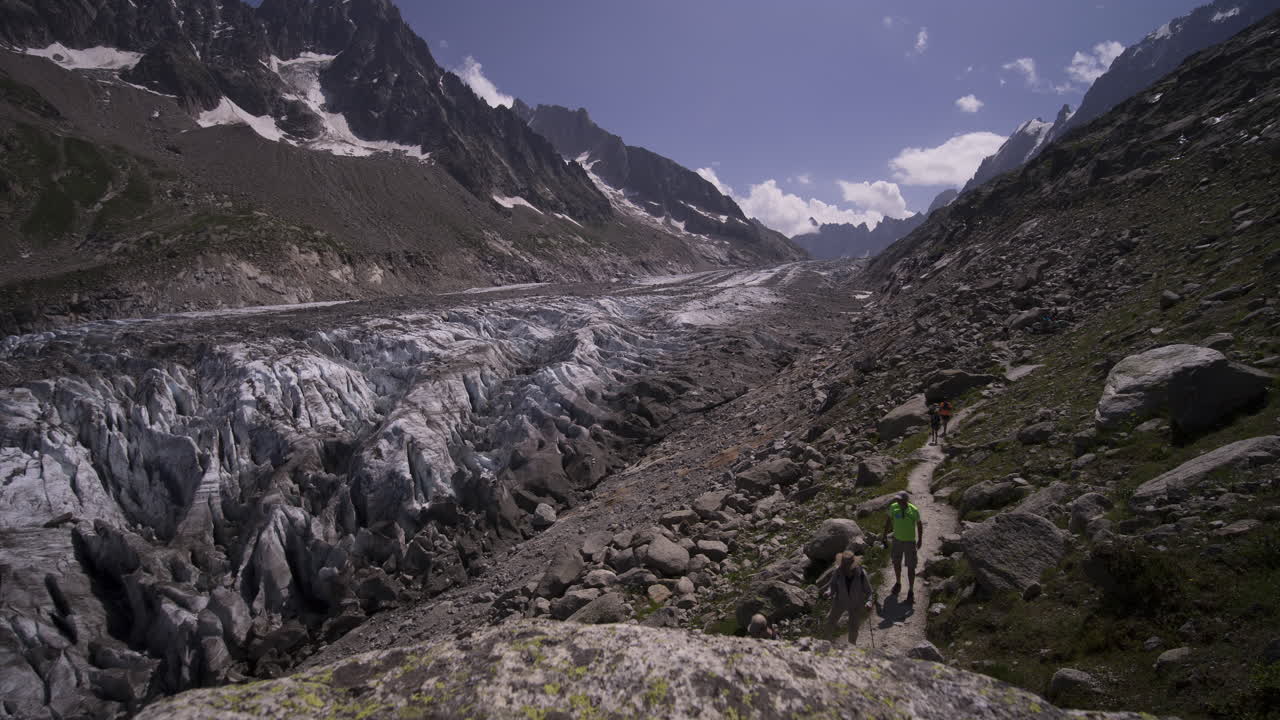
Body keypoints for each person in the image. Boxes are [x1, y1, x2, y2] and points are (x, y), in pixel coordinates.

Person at [823, 551, 874, 644]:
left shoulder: (861, 574)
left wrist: (869, 602)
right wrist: (829, 592)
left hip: (856, 603)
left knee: (853, 627)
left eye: (845, 564)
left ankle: (851, 646)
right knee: (830, 622)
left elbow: (869, 591)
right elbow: (833, 585)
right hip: (839, 601)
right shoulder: (838, 572)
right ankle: (826, 642)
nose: (843, 566)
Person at [882, 491, 924, 603]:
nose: (897, 501)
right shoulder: (893, 507)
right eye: (897, 499)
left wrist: (920, 539)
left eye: (899, 499)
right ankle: (898, 582)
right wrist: (884, 535)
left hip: (910, 542)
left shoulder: (913, 510)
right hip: (897, 540)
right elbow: (889, 520)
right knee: (896, 562)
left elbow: (919, 524)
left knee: (911, 566)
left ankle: (910, 590)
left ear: (905, 500)